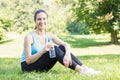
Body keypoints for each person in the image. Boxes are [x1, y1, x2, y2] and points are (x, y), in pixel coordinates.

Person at [20, 9, 101, 75]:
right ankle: (81, 71)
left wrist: (67, 55)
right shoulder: (29, 36)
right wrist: (43, 51)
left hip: (41, 65)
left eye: (44, 19)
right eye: (39, 19)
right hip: (28, 68)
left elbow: (66, 44)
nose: (42, 21)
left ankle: (85, 68)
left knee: (62, 47)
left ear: (47, 21)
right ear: (35, 21)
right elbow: (28, 60)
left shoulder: (49, 35)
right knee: (54, 49)